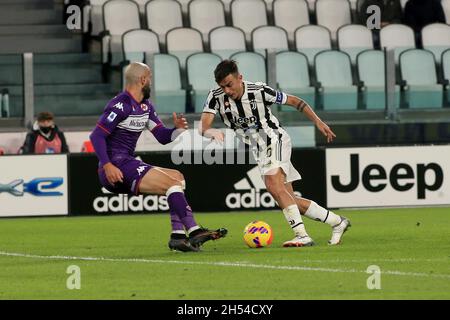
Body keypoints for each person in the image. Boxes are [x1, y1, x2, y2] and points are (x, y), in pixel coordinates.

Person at [200, 60, 351, 247]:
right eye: (222, 87)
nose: (227, 91)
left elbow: (296, 102)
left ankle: (302, 235)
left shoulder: (259, 91)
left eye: (229, 85)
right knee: (288, 198)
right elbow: (203, 127)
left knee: (273, 184)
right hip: (259, 150)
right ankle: (337, 222)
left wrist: (318, 122)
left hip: (275, 139)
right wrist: (210, 132)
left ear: (240, 78)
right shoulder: (215, 97)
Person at [89, 62, 227, 252]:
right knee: (171, 183)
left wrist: (177, 130)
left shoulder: (146, 107)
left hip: (127, 162)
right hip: (115, 166)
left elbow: (162, 136)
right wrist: (107, 165)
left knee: (177, 177)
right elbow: (96, 135)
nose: (151, 82)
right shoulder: (120, 105)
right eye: (150, 78)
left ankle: (178, 237)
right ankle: (194, 231)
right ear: (143, 80)